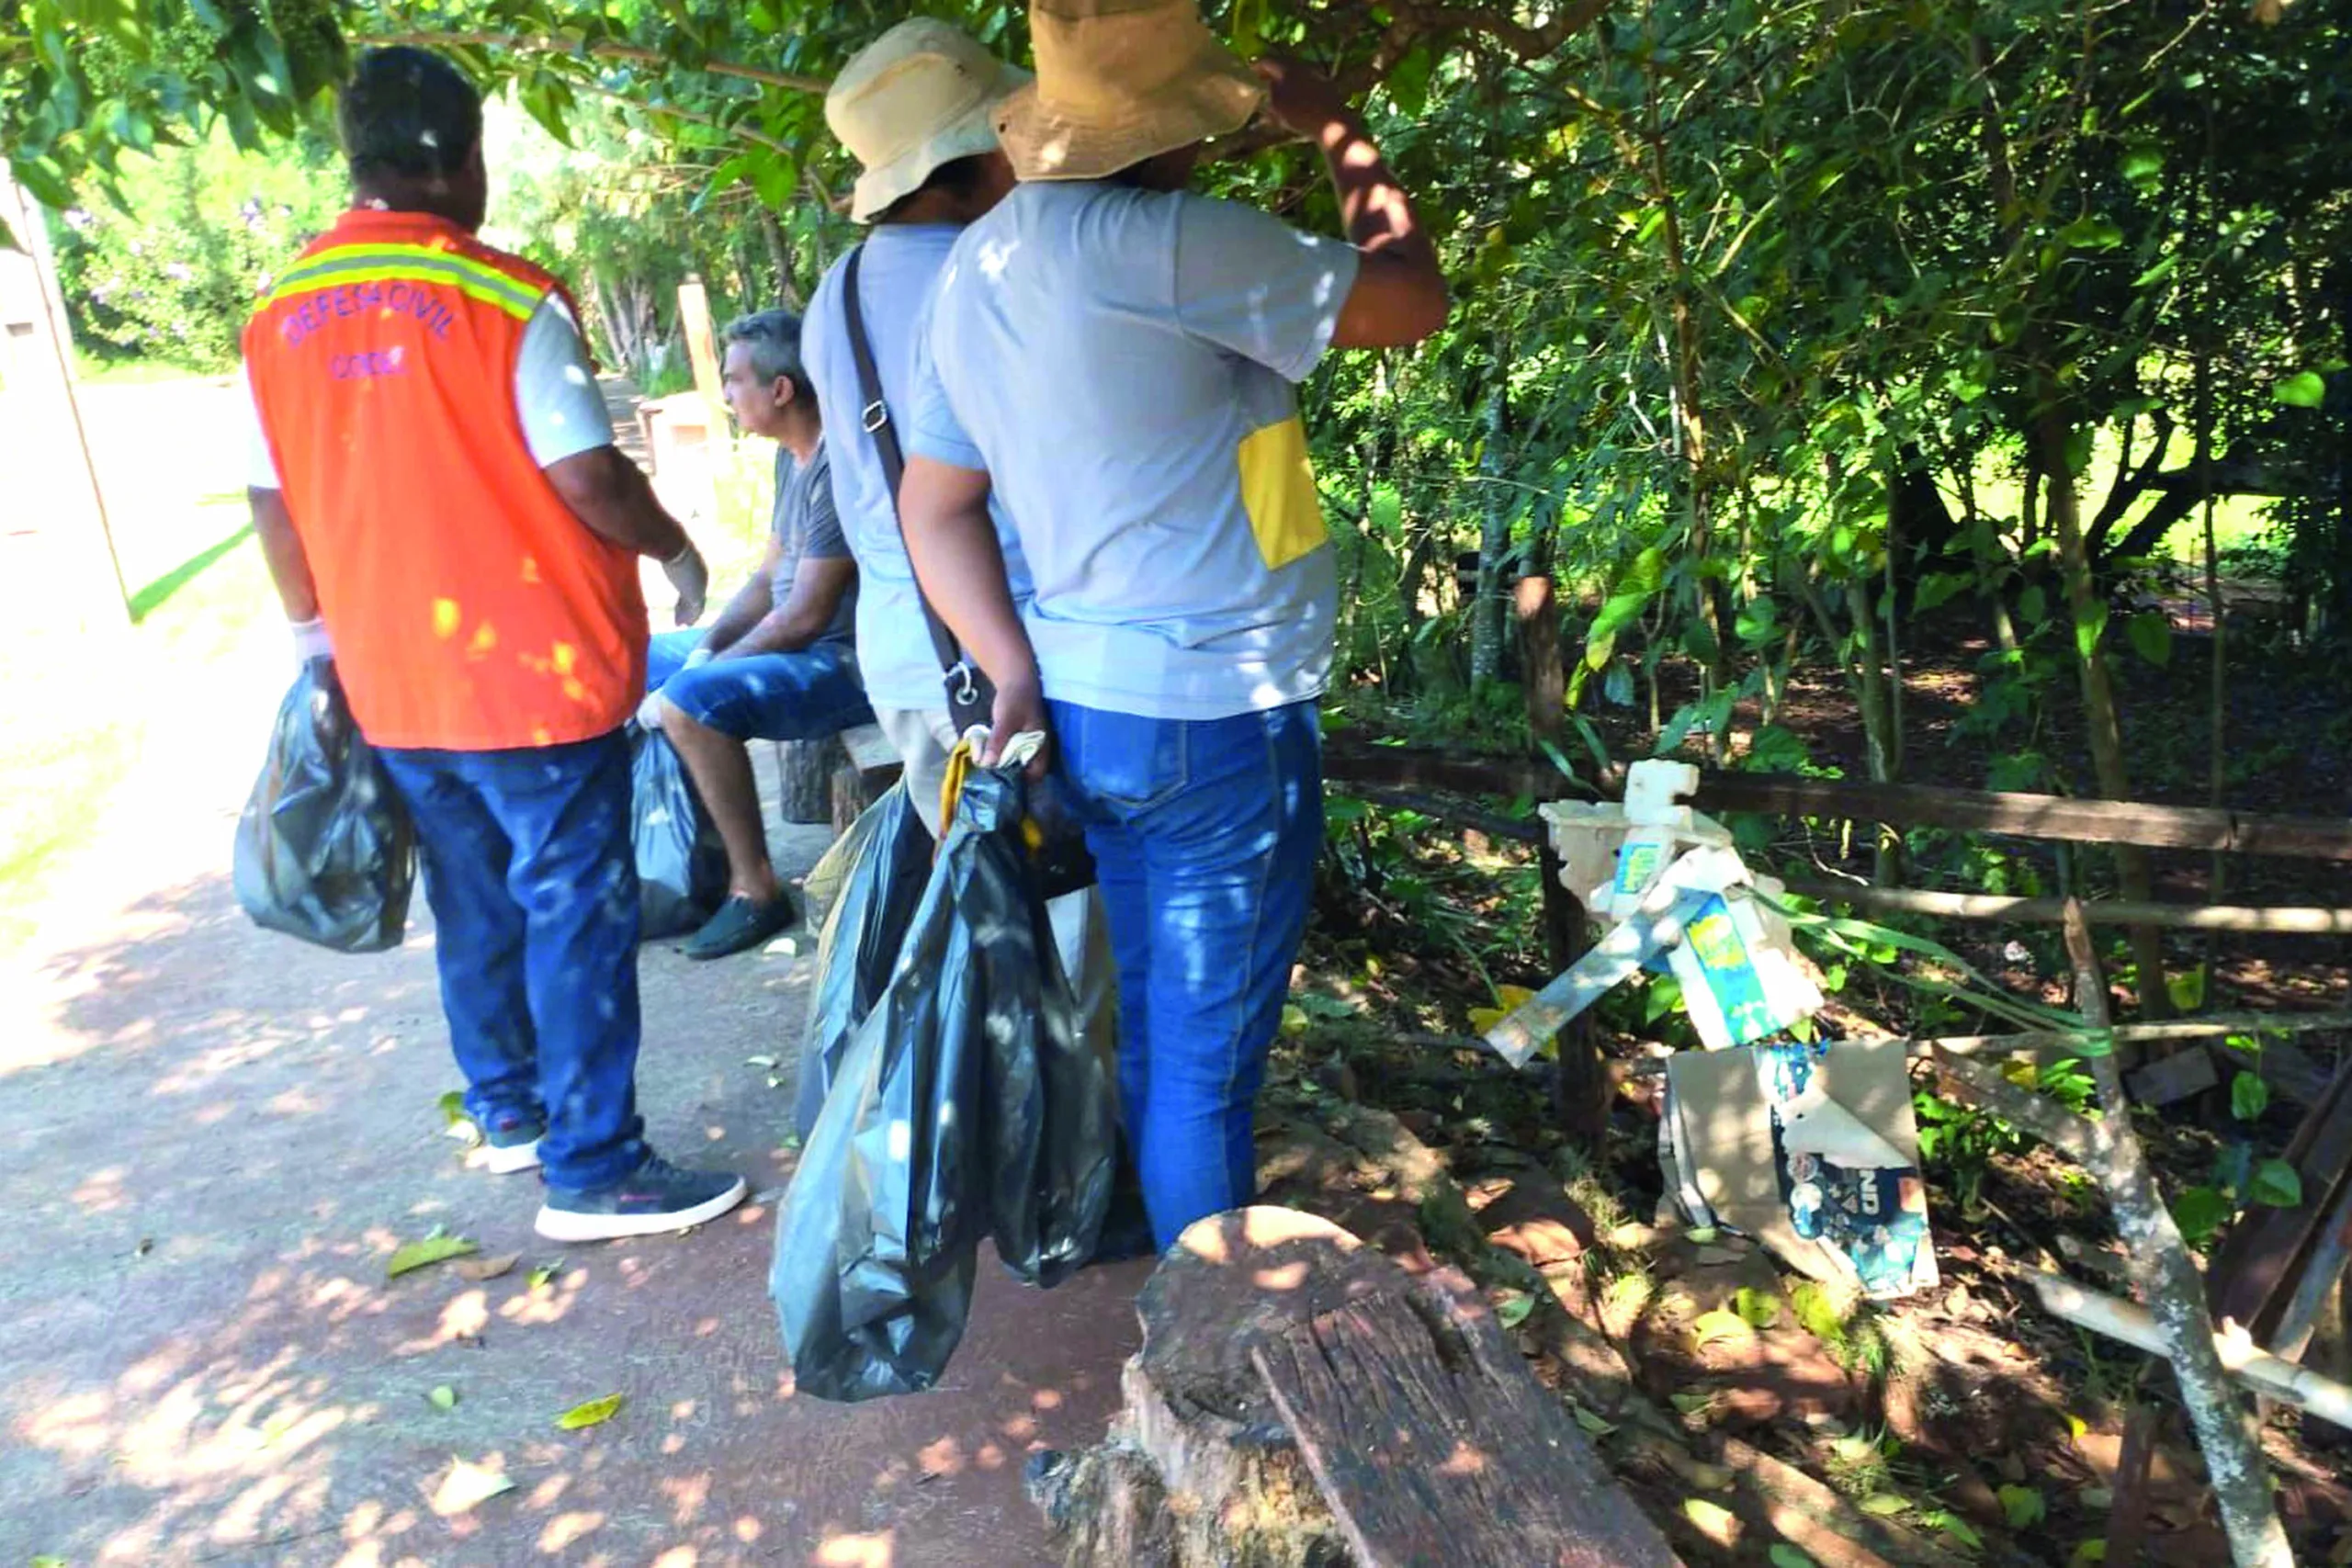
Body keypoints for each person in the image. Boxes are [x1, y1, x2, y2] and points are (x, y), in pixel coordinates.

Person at [896, 0, 1448, 1250]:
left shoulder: (979, 265)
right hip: (1217, 716)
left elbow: (935, 507)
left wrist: (1011, 669)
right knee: (1205, 1066)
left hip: (1089, 708)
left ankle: (1175, 1297)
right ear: (1176, 129)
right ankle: (1214, 1341)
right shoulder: (1181, 244)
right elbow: (1414, 298)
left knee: (1155, 1013)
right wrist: (1341, 133)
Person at [240, 46, 747, 1243]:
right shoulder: (506, 298)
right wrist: (674, 546)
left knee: (473, 898)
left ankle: (513, 1108)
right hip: (535, 677)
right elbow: (586, 474)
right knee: (575, 901)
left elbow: (271, 505)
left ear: (354, 161)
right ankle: (596, 1164)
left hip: (390, 679)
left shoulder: (274, 317)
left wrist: (318, 634)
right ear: (465, 158)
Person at [799, 17, 1028, 839]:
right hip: (1010, 652)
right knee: (1063, 934)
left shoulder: (839, 288)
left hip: (902, 653)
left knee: (985, 927)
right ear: (974, 155)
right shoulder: (995, 272)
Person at [639, 310, 872, 958]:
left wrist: (704, 673)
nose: (727, 394)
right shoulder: (789, 462)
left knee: (690, 702)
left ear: (781, 390)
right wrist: (708, 646)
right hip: (804, 643)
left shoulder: (839, 466)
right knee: (638, 661)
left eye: (737, 379)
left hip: (847, 661)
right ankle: (686, 862)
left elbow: (804, 615)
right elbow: (768, 577)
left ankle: (756, 889)